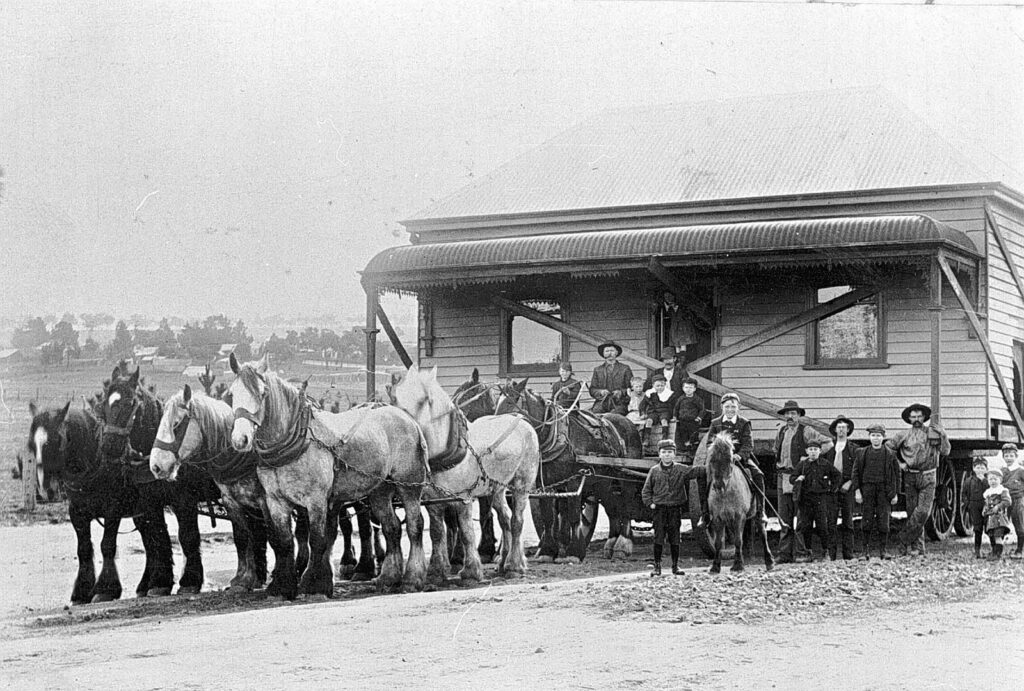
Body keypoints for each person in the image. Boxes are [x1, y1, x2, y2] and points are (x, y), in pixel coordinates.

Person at [773, 400, 833, 564]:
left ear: (799, 415)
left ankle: (802, 552)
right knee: (784, 518)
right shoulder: (781, 431)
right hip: (783, 477)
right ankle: (785, 554)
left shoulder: (806, 431)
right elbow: (775, 450)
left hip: (800, 478)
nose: (790, 416)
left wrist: (809, 459)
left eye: (793, 413)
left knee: (801, 518)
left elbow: (828, 442)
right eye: (787, 413)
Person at [887, 403, 950, 556]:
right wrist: (899, 463)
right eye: (913, 417)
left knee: (922, 512)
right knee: (912, 511)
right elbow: (888, 448)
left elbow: (946, 451)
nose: (916, 419)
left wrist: (943, 435)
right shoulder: (903, 435)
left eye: (919, 416)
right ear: (908, 418)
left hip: (929, 475)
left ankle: (903, 539)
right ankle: (918, 548)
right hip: (910, 476)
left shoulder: (933, 433)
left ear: (924, 417)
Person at [696, 393, 766, 528]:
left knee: (758, 475)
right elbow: (709, 443)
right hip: (719, 460)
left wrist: (739, 455)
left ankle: (760, 512)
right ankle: (705, 514)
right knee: (702, 476)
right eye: (727, 406)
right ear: (722, 407)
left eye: (733, 407)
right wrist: (717, 456)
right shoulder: (715, 423)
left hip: (739, 458)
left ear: (738, 407)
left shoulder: (744, 423)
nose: (730, 410)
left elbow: (748, 444)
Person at [641, 439, 701, 576]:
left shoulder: (681, 469)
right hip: (659, 510)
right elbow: (646, 491)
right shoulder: (654, 471)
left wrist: (712, 466)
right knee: (658, 537)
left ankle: (675, 566)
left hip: (674, 509)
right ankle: (657, 567)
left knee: (675, 537)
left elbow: (695, 471)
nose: (667, 455)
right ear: (659, 454)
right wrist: (650, 503)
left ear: (674, 454)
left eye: (670, 452)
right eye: (664, 452)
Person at [851, 424, 900, 560]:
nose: (876, 438)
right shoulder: (862, 453)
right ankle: (864, 551)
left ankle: (883, 551)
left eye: (878, 435)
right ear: (869, 437)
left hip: (884, 490)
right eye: (873, 435)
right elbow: (855, 473)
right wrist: (857, 491)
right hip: (867, 489)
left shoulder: (890, 454)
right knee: (866, 520)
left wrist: (895, 493)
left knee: (883, 520)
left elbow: (897, 474)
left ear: (883, 437)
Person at [793, 439, 843, 560]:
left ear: (820, 451)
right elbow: (792, 477)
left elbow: (837, 475)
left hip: (821, 499)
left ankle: (825, 552)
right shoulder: (802, 465)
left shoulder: (825, 464)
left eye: (815, 450)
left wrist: (832, 489)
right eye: (810, 450)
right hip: (805, 500)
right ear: (807, 451)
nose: (813, 452)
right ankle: (808, 552)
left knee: (823, 526)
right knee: (806, 526)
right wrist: (798, 478)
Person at [821, 416, 857, 559]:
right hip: (832, 489)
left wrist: (850, 483)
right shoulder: (829, 448)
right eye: (839, 427)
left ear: (848, 430)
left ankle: (848, 554)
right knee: (831, 521)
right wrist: (828, 483)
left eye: (844, 427)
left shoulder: (854, 449)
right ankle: (832, 554)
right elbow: (823, 468)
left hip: (847, 487)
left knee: (848, 521)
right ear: (835, 430)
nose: (841, 430)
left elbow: (858, 469)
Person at [588, 342, 633, 416]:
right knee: (594, 417)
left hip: (620, 403)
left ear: (616, 352)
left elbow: (632, 388)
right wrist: (601, 392)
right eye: (607, 351)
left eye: (612, 351)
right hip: (602, 402)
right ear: (603, 354)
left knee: (613, 417)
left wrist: (621, 392)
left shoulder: (625, 368)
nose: (609, 353)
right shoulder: (598, 370)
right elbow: (592, 389)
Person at [961, 458, 990, 559]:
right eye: (978, 467)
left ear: (986, 469)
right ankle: (977, 551)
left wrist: (984, 481)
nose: (980, 470)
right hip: (974, 506)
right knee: (977, 528)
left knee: (989, 527)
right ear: (974, 468)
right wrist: (968, 504)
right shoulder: (969, 481)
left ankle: (994, 549)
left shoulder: (988, 481)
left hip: (986, 506)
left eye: (982, 468)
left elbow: (991, 491)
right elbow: (964, 494)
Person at [999, 443, 1024, 559]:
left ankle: (1019, 550)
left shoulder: (1020, 470)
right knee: (1001, 523)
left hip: (1017, 499)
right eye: (1006, 456)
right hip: (1004, 500)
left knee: (1019, 523)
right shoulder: (1002, 471)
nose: (1008, 458)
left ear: (1016, 456)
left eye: (1011, 455)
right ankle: (998, 550)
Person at [982, 467, 1013, 559]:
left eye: (995, 479)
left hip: (999, 517)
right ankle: (994, 551)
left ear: (1000, 480)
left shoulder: (1002, 490)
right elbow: (986, 503)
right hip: (990, 518)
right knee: (991, 535)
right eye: (990, 479)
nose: (993, 481)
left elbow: (1008, 501)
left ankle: (998, 554)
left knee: (998, 535)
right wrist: (984, 509)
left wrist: (998, 506)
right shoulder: (988, 492)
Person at [642, 374, 675, 453]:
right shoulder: (649, 393)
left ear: (665, 385)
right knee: (649, 421)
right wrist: (642, 413)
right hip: (653, 412)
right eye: (657, 386)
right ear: (653, 385)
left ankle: (664, 437)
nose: (660, 388)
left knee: (664, 421)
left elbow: (673, 406)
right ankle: (646, 439)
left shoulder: (669, 394)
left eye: (662, 385)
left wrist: (673, 415)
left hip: (664, 411)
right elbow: (643, 404)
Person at [673, 377, 705, 455]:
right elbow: (676, 408)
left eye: (691, 387)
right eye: (686, 387)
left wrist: (699, 417)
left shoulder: (697, 399)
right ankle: (683, 450)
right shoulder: (681, 398)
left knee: (693, 435)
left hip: (693, 421)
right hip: (682, 420)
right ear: (683, 388)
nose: (688, 389)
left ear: (694, 389)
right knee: (683, 434)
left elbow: (702, 409)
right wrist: (675, 416)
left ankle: (693, 450)